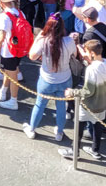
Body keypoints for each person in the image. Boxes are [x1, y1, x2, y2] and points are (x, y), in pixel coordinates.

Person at [23, 13, 76, 142]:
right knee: (61, 106)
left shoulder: (44, 41)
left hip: (47, 80)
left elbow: (32, 56)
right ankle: (59, 133)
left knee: (39, 105)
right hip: (65, 79)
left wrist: (38, 38)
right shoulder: (69, 41)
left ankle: (31, 129)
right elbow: (74, 54)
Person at [60, 39, 106, 161]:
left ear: (92, 53)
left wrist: (72, 92)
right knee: (97, 127)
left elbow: (88, 91)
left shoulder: (91, 69)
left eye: (87, 52)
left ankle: (74, 151)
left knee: (78, 126)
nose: (86, 54)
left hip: (89, 104)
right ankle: (95, 150)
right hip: (103, 102)